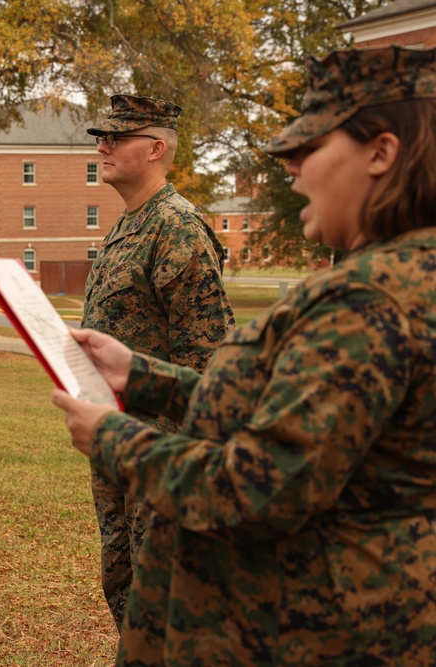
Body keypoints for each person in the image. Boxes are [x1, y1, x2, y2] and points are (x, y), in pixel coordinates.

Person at [53, 44, 436, 666]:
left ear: (382, 153)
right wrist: (145, 378)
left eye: (310, 148)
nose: (290, 168)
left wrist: (114, 437)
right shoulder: (398, 276)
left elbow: (257, 488)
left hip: (341, 630)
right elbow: (290, 409)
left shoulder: (368, 299)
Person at [81, 95, 234, 628]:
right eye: (102, 135)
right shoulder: (127, 225)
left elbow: (208, 360)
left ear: (154, 148)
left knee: (160, 599)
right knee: (123, 588)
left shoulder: (178, 227)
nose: (103, 144)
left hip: (161, 451)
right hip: (117, 442)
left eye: (116, 137)